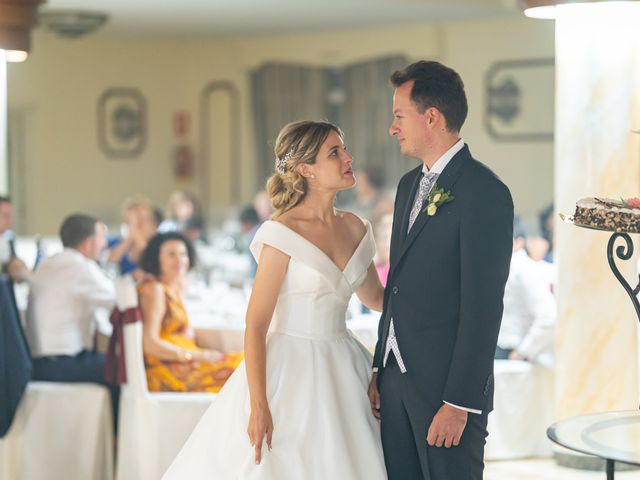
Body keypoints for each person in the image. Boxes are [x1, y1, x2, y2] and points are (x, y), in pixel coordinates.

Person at [162, 120, 387, 479]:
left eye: (343, 149)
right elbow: (255, 324)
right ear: (305, 170)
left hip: (345, 364)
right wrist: (259, 404)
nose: (348, 158)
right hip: (289, 368)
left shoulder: (356, 227)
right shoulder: (281, 232)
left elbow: (377, 297)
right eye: (335, 152)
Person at [368, 61, 513, 480]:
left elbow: (484, 308)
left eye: (398, 115)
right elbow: (395, 284)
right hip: (394, 385)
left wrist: (459, 402)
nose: (392, 127)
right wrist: (381, 367)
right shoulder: (407, 186)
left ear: (431, 117)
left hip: (447, 394)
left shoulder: (485, 192)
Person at [26, 213, 119, 425]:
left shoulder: (49, 263)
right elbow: (120, 301)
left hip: (39, 362)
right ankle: (118, 440)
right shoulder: (79, 266)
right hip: (60, 363)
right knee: (122, 369)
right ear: (88, 243)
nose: (104, 244)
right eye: (101, 238)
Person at [138, 232, 242, 392]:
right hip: (167, 370)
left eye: (183, 254)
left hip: (182, 362)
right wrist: (196, 356)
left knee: (248, 363)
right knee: (245, 369)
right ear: (156, 258)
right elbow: (150, 344)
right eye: (171, 255)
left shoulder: (172, 285)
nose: (180, 260)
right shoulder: (155, 290)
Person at [496, 216, 556, 363]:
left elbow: (549, 316)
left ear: (518, 242)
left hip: (513, 351)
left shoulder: (524, 269)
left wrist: (522, 351)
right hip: (500, 348)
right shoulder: (505, 267)